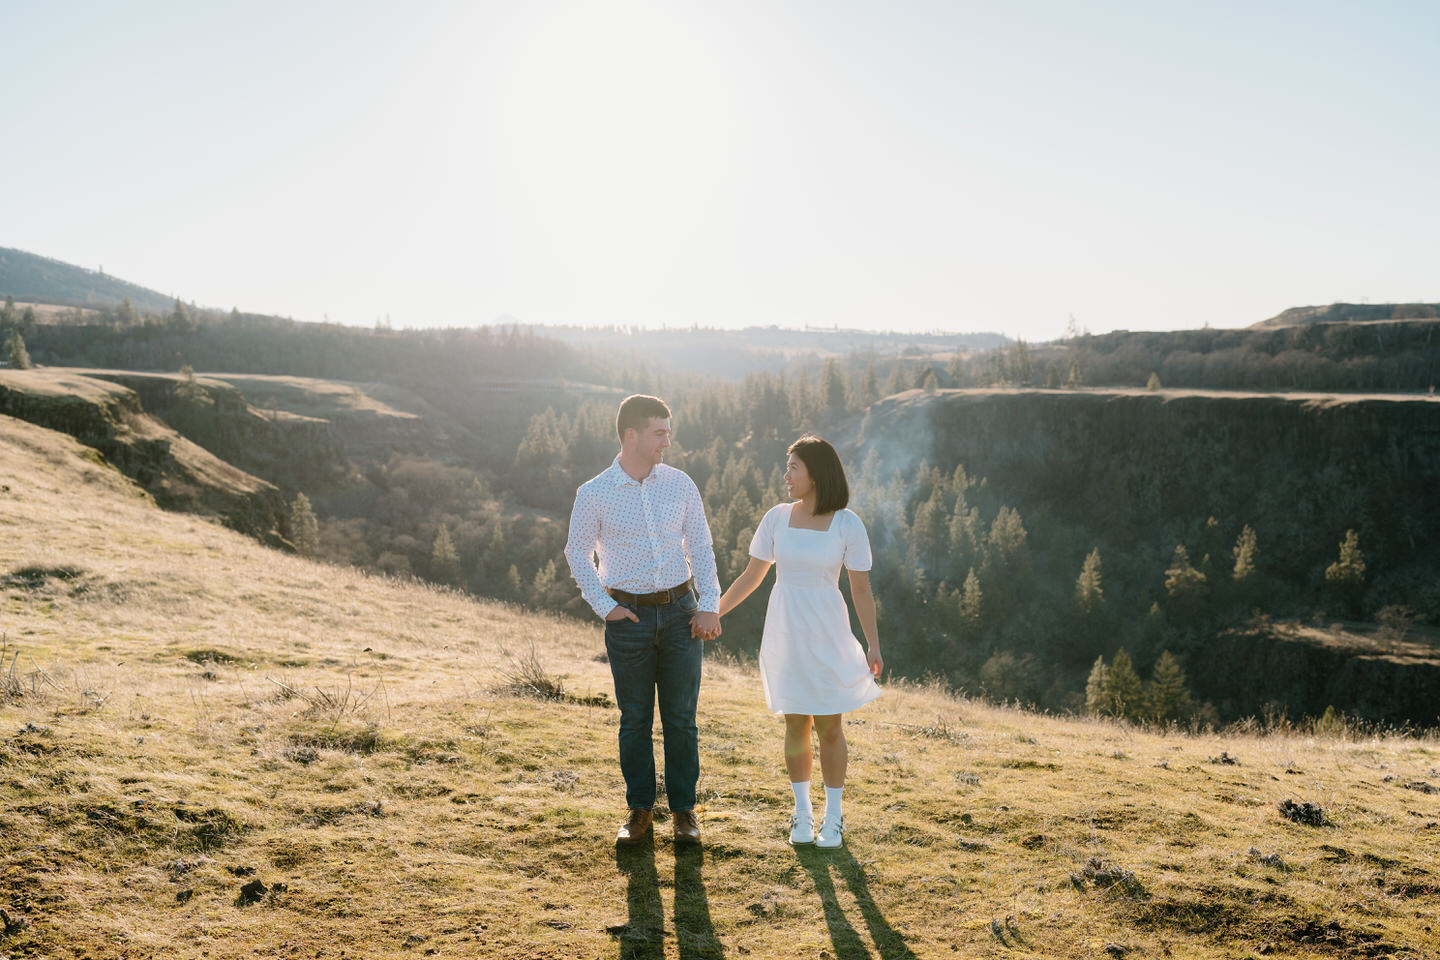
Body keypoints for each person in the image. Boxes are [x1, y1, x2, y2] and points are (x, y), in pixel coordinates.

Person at [564, 394, 723, 847]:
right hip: (628, 618)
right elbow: (577, 553)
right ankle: (638, 812)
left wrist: (709, 603)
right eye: (659, 433)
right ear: (630, 435)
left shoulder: (681, 485)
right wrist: (606, 607)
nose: (666, 443)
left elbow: (701, 548)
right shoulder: (593, 493)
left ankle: (684, 814)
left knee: (681, 719)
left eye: (668, 433)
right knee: (634, 719)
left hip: (681, 614)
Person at [716, 435, 882, 849]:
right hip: (786, 630)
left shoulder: (848, 524)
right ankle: (803, 814)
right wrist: (712, 612)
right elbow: (753, 576)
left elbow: (861, 590)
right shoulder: (776, 518)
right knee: (795, 723)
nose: (785, 475)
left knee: (829, 725)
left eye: (793, 467)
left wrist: (873, 644)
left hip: (827, 631)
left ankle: (835, 817)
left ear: (816, 473)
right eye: (786, 466)